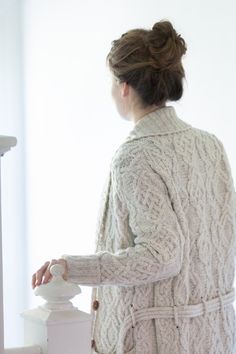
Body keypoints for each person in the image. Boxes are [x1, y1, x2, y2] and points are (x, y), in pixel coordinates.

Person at [32, 19, 236, 354]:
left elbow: (160, 256)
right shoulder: (209, 145)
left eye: (112, 82)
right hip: (216, 337)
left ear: (125, 86)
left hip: (154, 342)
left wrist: (72, 267)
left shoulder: (136, 155)